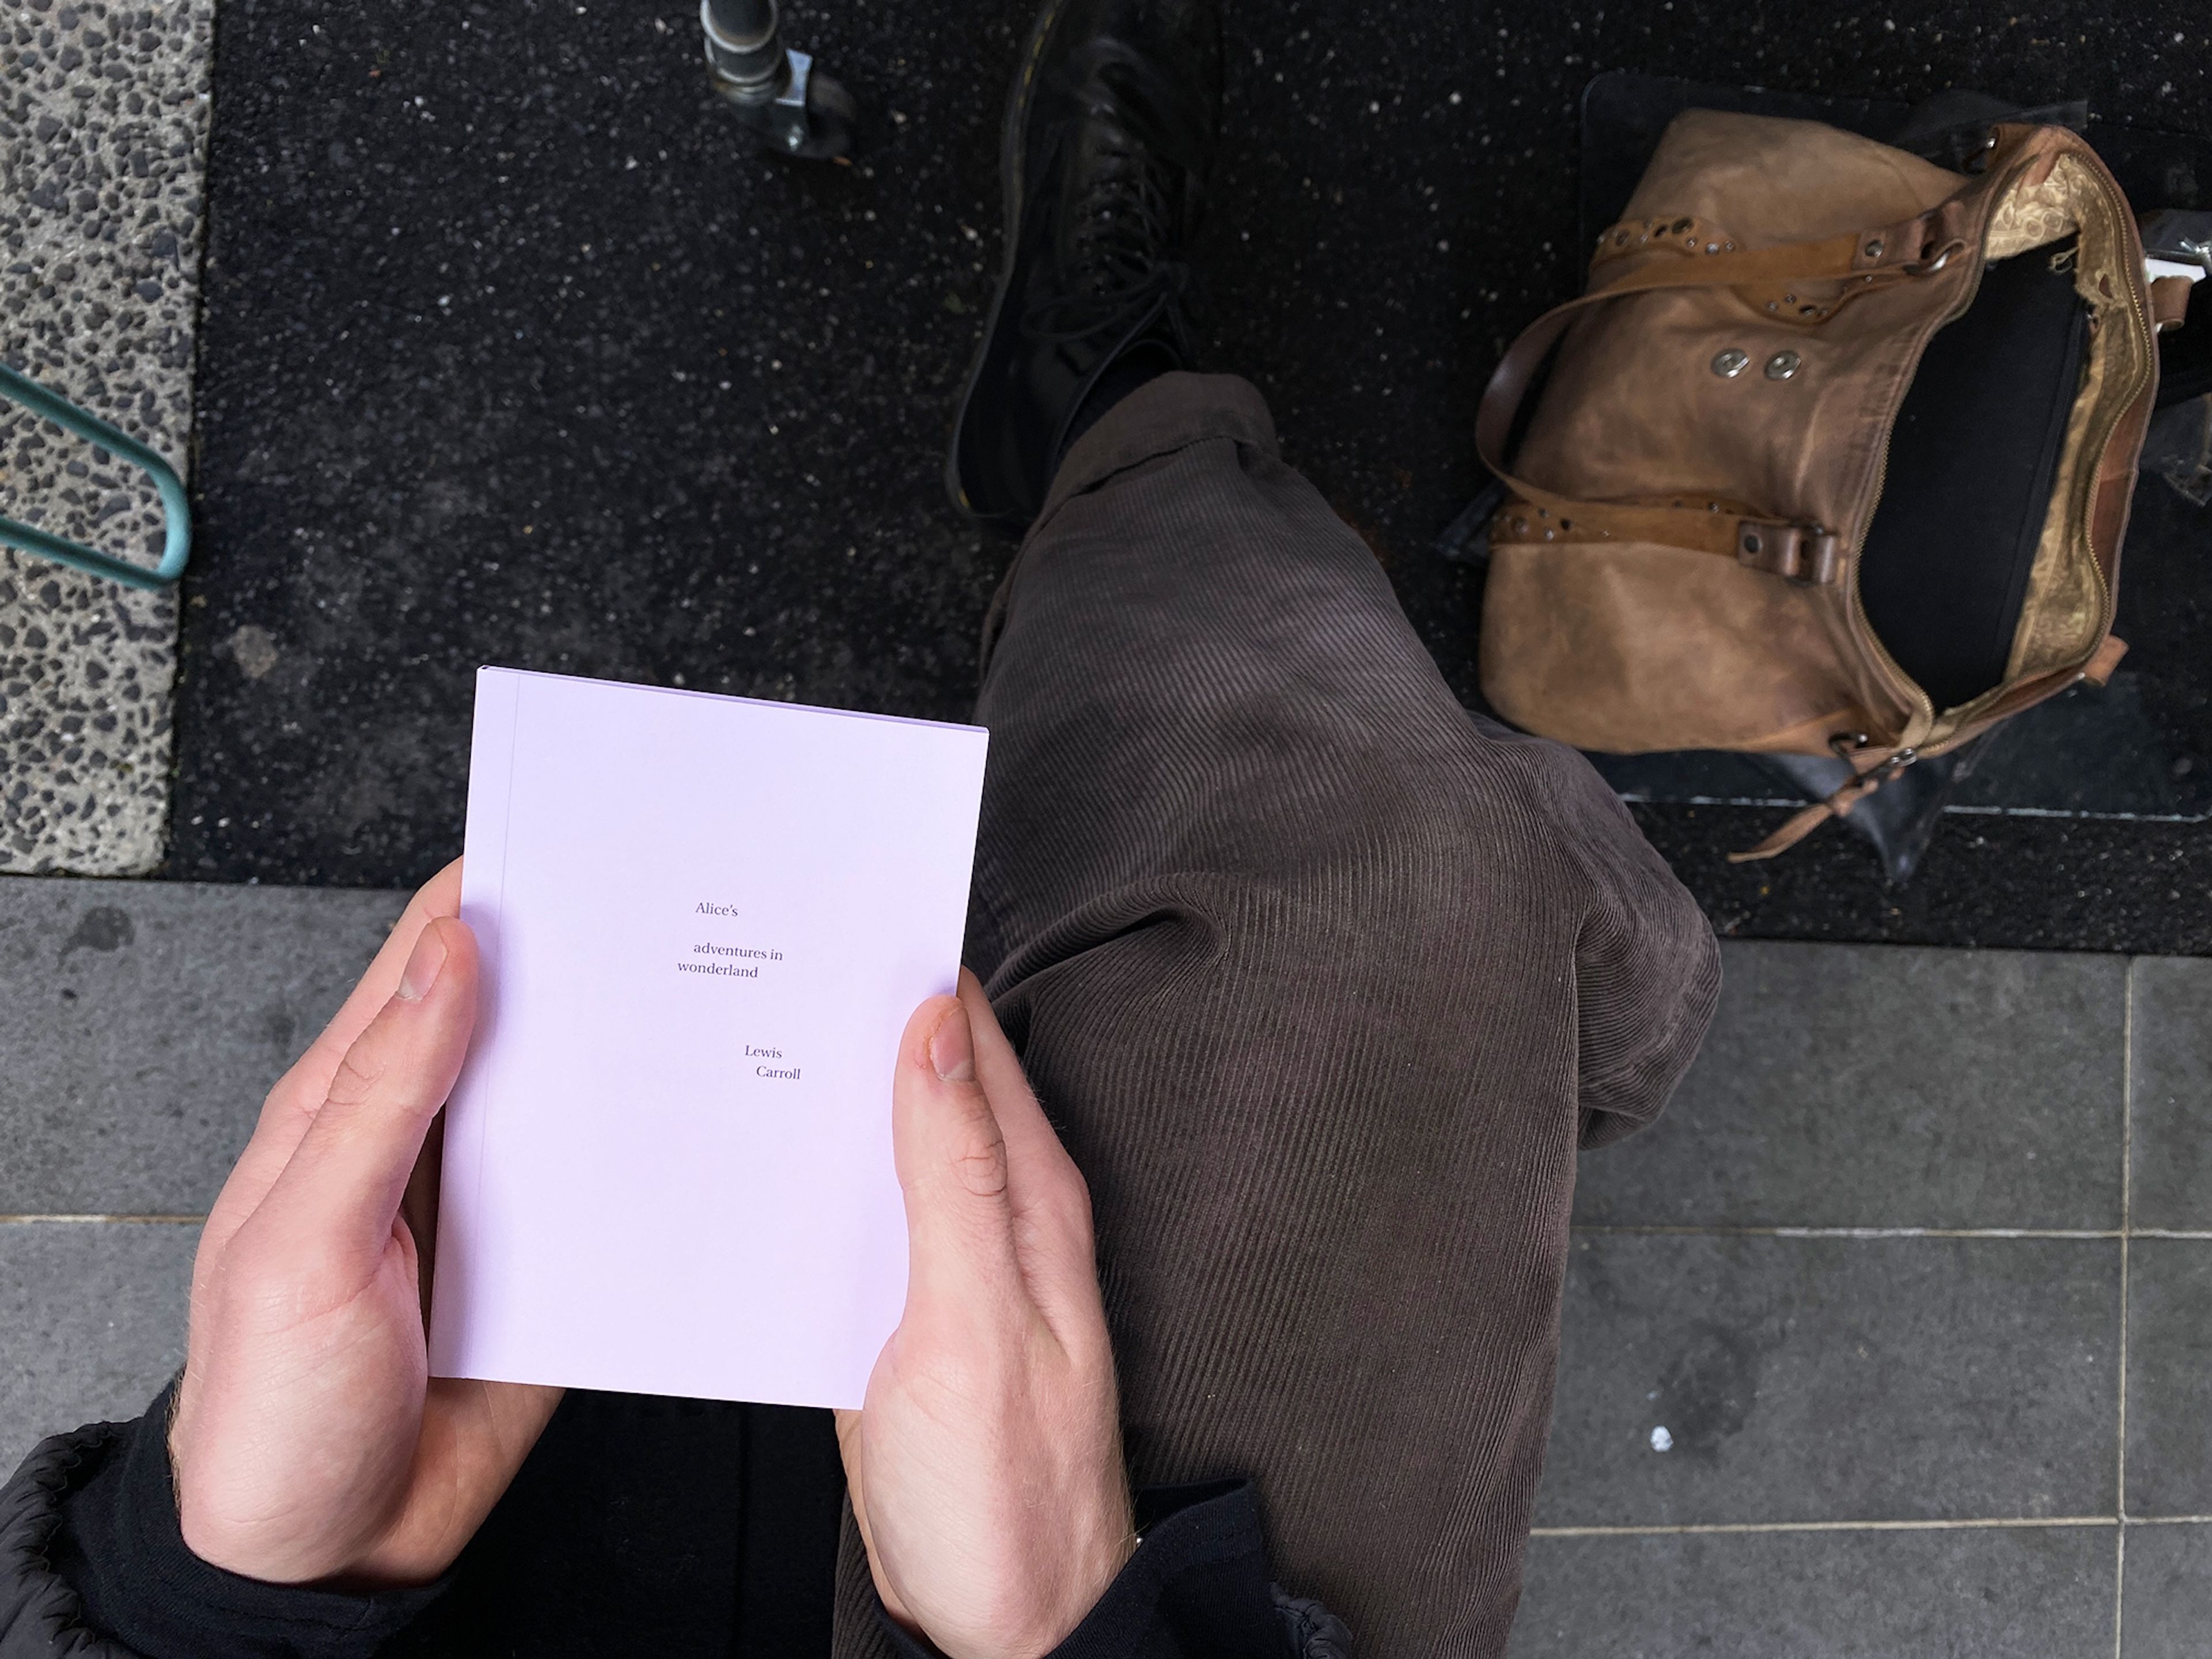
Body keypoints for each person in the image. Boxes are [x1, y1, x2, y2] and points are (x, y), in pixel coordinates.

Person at [0, 0, 1720, 1652]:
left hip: (424, 1575)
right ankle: (1129, 424)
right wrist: (1067, 1635)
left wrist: (212, 1586)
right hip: (1073, 1614)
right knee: (1390, 873)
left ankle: (1102, 417)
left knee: (1382, 911)